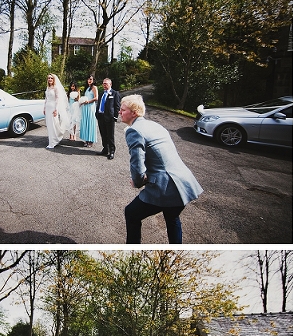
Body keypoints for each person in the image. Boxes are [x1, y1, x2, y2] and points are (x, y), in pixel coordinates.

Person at [118, 95, 204, 244]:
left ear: (134, 113)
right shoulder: (155, 125)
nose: (119, 112)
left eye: (123, 109)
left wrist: (138, 182)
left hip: (166, 187)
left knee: (131, 213)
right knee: (172, 217)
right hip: (184, 182)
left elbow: (137, 164)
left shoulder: (134, 131)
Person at [96, 78, 121, 159]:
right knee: (103, 134)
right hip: (101, 116)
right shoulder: (101, 93)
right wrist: (97, 113)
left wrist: (115, 117)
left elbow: (117, 106)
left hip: (109, 117)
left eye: (106, 83)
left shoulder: (115, 93)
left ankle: (112, 151)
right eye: (103, 83)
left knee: (110, 135)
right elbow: (99, 104)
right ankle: (105, 149)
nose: (104, 85)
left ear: (110, 84)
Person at [44, 74, 70, 149]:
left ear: (54, 79)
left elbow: (57, 99)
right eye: (48, 78)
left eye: (51, 78)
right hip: (48, 107)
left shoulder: (56, 88)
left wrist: (56, 109)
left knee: (53, 124)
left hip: (53, 107)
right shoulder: (48, 87)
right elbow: (46, 98)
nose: (49, 79)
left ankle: (53, 142)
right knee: (49, 125)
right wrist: (44, 108)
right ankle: (52, 140)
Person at [79, 76, 98, 148]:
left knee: (90, 123)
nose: (89, 80)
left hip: (91, 107)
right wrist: (81, 102)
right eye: (88, 79)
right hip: (85, 107)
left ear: (93, 80)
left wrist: (88, 101)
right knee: (86, 122)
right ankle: (86, 139)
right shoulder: (87, 88)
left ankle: (91, 141)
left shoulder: (94, 87)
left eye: (91, 79)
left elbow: (96, 98)